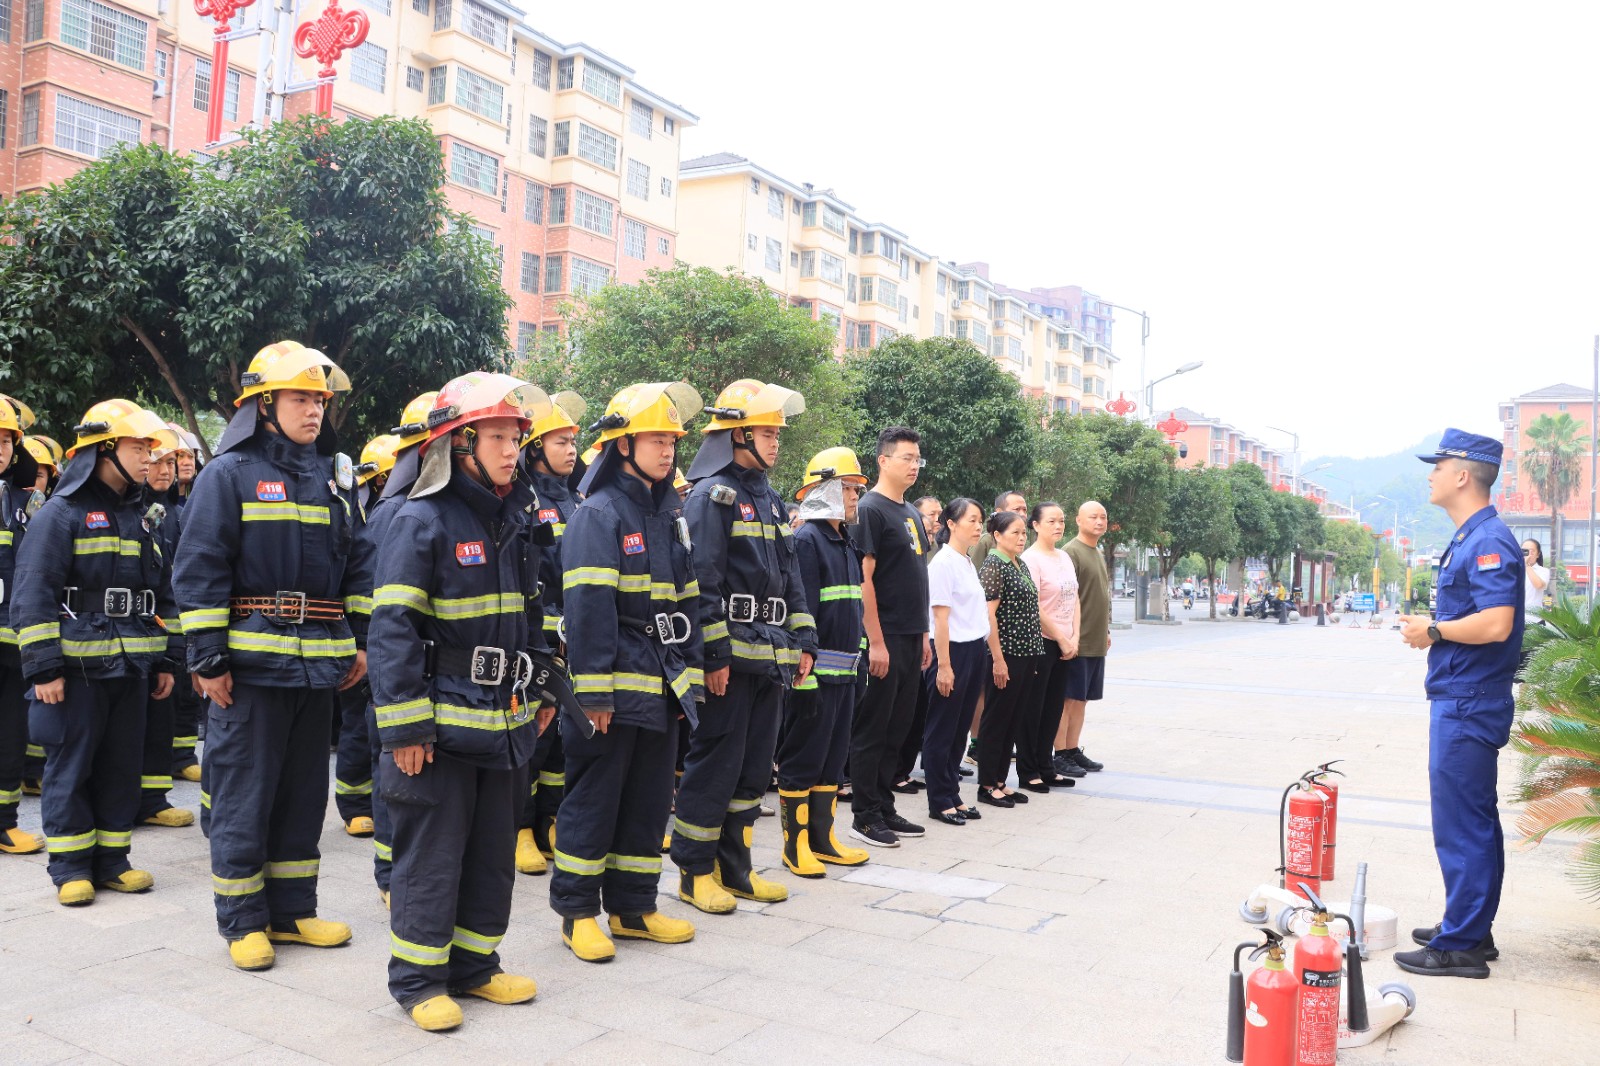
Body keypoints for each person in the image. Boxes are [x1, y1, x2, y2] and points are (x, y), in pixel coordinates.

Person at [173, 341, 372, 971]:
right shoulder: (226, 475)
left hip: (317, 666)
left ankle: (292, 912)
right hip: (249, 669)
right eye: (300, 398)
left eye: (319, 399)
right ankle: (242, 921)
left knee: (301, 793)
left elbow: (361, 564)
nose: (314, 410)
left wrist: (361, 640)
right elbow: (199, 568)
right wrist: (208, 660)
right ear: (263, 405)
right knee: (242, 795)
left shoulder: (332, 478)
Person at [369, 373, 551, 1031]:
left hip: (503, 720)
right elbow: (392, 630)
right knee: (432, 857)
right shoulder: (420, 518)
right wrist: (405, 727)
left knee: (490, 852)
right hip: (439, 730)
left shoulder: (513, 519)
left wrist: (541, 686)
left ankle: (476, 967)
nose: (512, 450)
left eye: (516, 437)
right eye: (499, 437)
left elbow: (532, 616)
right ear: (461, 442)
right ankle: (418, 981)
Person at [552, 382, 703, 963]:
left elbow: (687, 596)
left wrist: (691, 669)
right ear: (622, 445)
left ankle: (635, 906)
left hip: (662, 684)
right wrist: (592, 692)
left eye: (671, 439)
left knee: (647, 801)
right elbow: (587, 609)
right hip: (611, 687)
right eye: (656, 439)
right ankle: (578, 912)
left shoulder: (668, 513)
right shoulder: (598, 513)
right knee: (594, 800)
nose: (667, 450)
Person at [12, 400, 175, 904]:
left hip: (131, 666)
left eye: (151, 447)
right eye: (138, 447)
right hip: (75, 668)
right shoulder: (60, 515)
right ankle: (69, 867)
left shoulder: (144, 518)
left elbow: (161, 594)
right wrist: (43, 667)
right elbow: (32, 593)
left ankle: (112, 861)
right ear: (105, 450)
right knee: (71, 764)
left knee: (121, 765)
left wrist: (167, 659)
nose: (150, 457)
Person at [673, 380, 816, 912]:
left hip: (772, 657)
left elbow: (792, 578)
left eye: (778, 432)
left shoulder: (770, 498)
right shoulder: (712, 496)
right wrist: (711, 656)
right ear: (736, 434)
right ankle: (694, 871)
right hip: (730, 658)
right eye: (766, 432)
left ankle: (736, 868)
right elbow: (700, 581)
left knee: (754, 770)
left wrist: (805, 640)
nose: (776, 441)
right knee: (716, 766)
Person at [1395, 429, 1524, 980]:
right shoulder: (1473, 537)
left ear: (1463, 475)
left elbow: (1496, 623)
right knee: (1473, 819)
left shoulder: (1488, 541)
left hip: (1469, 701)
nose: (1431, 474)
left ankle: (1462, 944)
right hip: (1466, 697)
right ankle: (1470, 924)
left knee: (1461, 823)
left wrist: (1434, 629)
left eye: (1438, 465)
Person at [773, 448, 872, 872]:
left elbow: (853, 611)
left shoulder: (845, 542)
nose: (855, 497)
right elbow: (801, 610)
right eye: (849, 488)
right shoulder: (807, 541)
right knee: (802, 760)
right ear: (824, 489)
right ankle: (795, 847)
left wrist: (862, 657)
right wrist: (802, 670)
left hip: (844, 678)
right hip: (812, 680)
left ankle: (823, 839)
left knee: (832, 761)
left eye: (855, 490)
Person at [358, 391, 439, 907]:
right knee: (396, 777)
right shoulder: (397, 515)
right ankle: (391, 875)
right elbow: (384, 614)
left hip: (438, 680)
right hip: (403, 679)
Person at [514, 390, 586, 876]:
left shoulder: (580, 501)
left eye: (574, 441)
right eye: (561, 441)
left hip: (575, 633)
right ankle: (519, 828)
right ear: (536, 447)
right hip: (538, 635)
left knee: (562, 737)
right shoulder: (523, 500)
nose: (572, 449)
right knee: (532, 734)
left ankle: (551, 820)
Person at [848, 427, 931, 848]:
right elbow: (865, 580)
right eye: (906, 458)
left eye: (917, 459)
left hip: (912, 637)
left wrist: (925, 636)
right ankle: (863, 815)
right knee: (873, 729)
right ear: (883, 461)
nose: (914, 465)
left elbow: (916, 578)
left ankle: (884, 805)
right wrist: (875, 642)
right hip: (885, 638)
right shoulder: (870, 509)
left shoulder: (911, 513)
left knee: (898, 728)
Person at [134, 429, 194, 829]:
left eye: (170, 462)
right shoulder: (132, 509)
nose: (165, 470)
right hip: (127, 634)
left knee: (163, 716)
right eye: (156, 460)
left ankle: (154, 799)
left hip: (167, 628)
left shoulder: (176, 510)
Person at [922, 498, 989, 825]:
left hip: (973, 650)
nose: (978, 526)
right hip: (951, 651)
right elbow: (941, 620)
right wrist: (945, 666)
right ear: (951, 523)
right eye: (972, 520)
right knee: (942, 728)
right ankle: (939, 799)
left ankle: (952, 792)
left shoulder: (965, 561)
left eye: (980, 521)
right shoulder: (942, 564)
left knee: (960, 727)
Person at [974, 511, 1047, 807]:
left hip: (1027, 653)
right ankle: (987, 784)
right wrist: (997, 659)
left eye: (1022, 533)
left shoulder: (1020, 564)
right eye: (1014, 533)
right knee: (996, 719)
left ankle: (1001, 781)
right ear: (997, 536)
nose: (1021, 538)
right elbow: (988, 615)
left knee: (1013, 719)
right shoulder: (994, 565)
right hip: (1006, 654)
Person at [0, 394, 44, 857]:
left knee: (11, 734)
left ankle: (4, 823)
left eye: (6, 439)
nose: (0, 447)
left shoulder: (28, 500)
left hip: (12, 638)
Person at [1020, 502, 1079, 791]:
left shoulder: (1064, 557)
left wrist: (1074, 637)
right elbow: (1034, 605)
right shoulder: (1030, 559)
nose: (1058, 526)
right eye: (1052, 521)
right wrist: (1061, 636)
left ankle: (1047, 765)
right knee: (1035, 708)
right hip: (1042, 643)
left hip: (1066, 644)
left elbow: (1075, 598)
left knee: (1054, 708)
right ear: (1036, 525)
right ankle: (1028, 771)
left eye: (1062, 521)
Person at [161, 425, 206, 786]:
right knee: (167, 694)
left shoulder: (186, 506)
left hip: (186, 614)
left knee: (188, 693)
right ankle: (167, 759)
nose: (177, 465)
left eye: (185, 457)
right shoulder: (155, 508)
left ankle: (182, 756)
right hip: (162, 619)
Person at [1054, 501, 1110, 778]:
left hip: (1096, 640)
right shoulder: (1070, 552)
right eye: (1093, 517)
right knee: (1067, 699)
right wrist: (1069, 636)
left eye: (1103, 517)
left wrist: (1106, 630)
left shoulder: (1096, 551)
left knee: (1082, 699)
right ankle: (1060, 753)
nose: (1099, 521)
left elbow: (1100, 595)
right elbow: (1066, 599)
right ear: (1078, 520)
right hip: (1077, 641)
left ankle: (1073, 749)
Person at [1522, 539, 1550, 616]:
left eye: (1532, 551)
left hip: (1534, 619)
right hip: (1516, 619)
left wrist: (1526, 565)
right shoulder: (1514, 569)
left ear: (1538, 554)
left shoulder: (1543, 571)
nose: (1528, 554)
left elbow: (1539, 585)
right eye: (1525, 551)